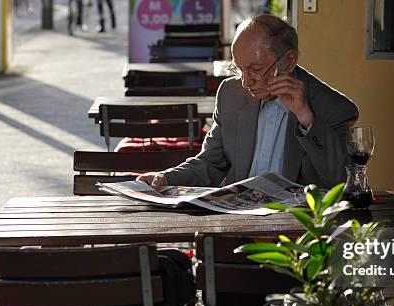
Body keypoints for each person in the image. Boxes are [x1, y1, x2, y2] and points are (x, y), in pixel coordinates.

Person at [137, 14, 359, 190]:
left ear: (289, 61)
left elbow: (340, 180)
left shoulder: (334, 108)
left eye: (255, 70)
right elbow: (211, 164)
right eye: (239, 69)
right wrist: (165, 178)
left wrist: (306, 118)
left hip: (294, 231)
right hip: (238, 221)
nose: (245, 81)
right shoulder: (230, 94)